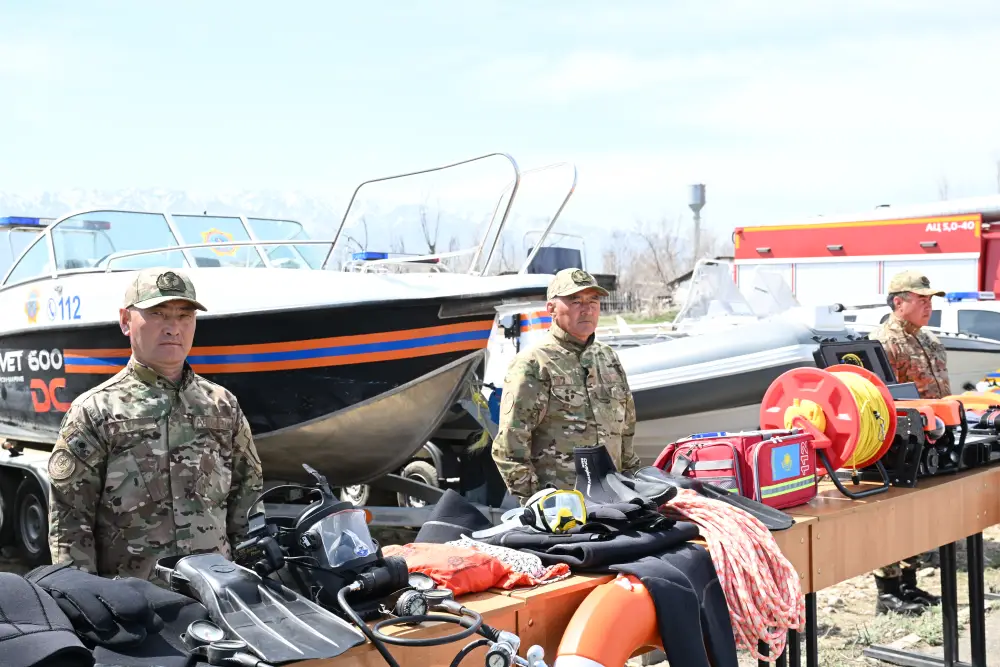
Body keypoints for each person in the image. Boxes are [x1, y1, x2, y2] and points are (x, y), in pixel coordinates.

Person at [46, 267, 264, 581]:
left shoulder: (222, 405)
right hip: (133, 606)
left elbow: (248, 500)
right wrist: (85, 601)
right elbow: (69, 523)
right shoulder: (96, 410)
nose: (173, 328)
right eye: (158, 314)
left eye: (184, 315)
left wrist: (252, 580)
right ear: (125, 320)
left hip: (217, 596)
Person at [491, 267, 641, 505]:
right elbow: (509, 445)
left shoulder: (608, 358)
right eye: (575, 301)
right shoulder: (534, 363)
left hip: (615, 501)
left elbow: (626, 431)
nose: (587, 308)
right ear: (551, 308)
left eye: (593, 300)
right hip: (563, 506)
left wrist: (632, 484)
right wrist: (539, 502)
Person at [866, 269, 948, 616]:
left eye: (930, 299)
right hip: (901, 443)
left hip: (934, 437)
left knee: (920, 516)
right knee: (893, 517)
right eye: (921, 299)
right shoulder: (884, 341)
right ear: (899, 302)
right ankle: (887, 591)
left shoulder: (928, 340)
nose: (928, 305)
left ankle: (909, 584)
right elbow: (879, 398)